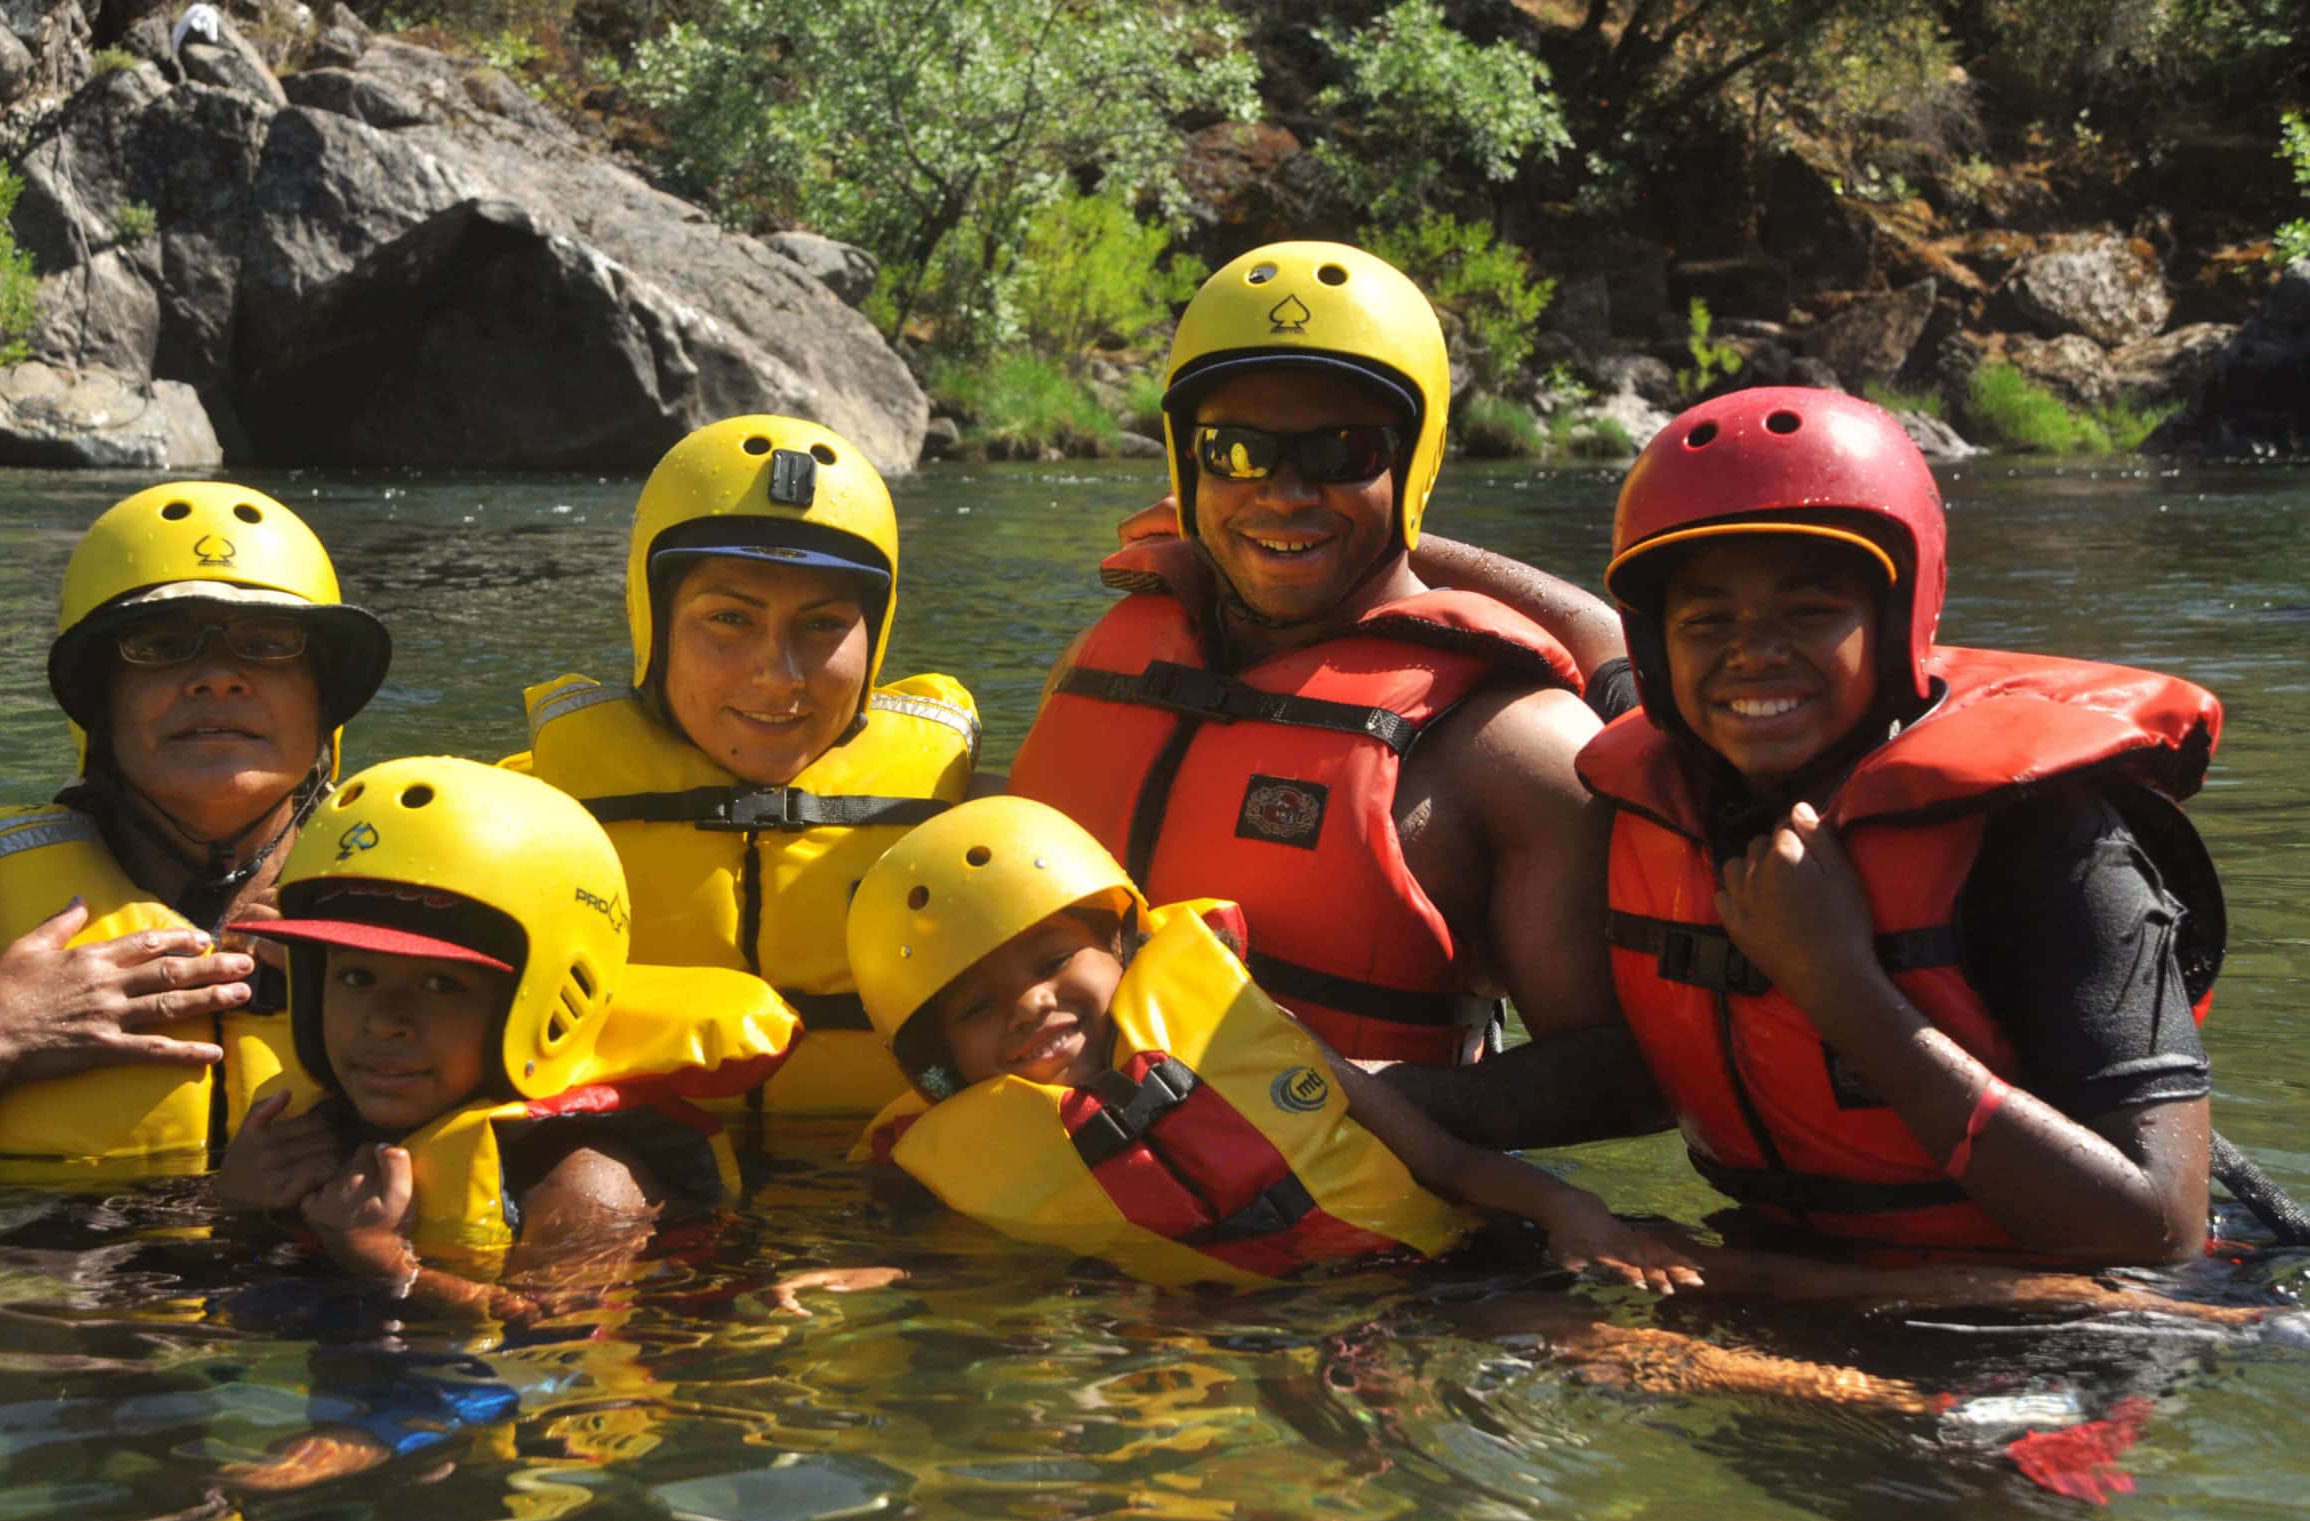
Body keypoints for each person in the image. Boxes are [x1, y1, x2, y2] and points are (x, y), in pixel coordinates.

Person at [1009, 242, 1652, 1140]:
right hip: (1053, 1224)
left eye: (1343, 452)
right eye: (1235, 451)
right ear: (1185, 463)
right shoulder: (1101, 658)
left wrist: (1329, 1103)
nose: (1283, 494)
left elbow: (1633, 1078)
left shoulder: (1514, 745)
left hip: (1367, 1267)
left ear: (1414, 461)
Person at [1576, 386, 2224, 1265]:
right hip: (1799, 1281)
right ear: (1657, 648)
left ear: (1896, 621)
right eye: (1706, 619)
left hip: (2055, 1334)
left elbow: (2161, 1233)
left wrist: (1838, 984)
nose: (1752, 650)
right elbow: (1578, 633)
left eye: (1809, 612)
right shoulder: (1675, 776)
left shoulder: (2048, 840)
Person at [0, 482, 390, 1173]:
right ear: (100, 706)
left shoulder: (407, 920)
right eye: (161, 644)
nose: (217, 679)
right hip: (41, 1270)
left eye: (270, 644)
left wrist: (366, 986)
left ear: (323, 706)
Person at [833, 795, 1702, 1291]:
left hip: (1440, 1274)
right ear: (940, 1061)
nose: (1029, 1003)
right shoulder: (946, 1160)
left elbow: (1447, 1163)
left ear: (1123, 946)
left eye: (1056, 958)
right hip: (1243, 1339)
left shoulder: (1239, 1028)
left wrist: (1568, 1209)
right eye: (979, 1007)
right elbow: (942, 1271)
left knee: (1666, 1323)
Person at [219, 756, 798, 1489]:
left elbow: (552, 1343)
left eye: (440, 985)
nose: (383, 1022)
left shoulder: (588, 1174)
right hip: (381, 1354)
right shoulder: (318, 1127)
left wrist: (383, 1263)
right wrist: (236, 1203)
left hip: (529, 1438)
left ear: (544, 997)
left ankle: (311, 1471)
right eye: (354, 977)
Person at [513, 415, 977, 1131]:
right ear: (653, 622)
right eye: (729, 619)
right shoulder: (523, 819)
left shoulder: (970, 820)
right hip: (636, 1194)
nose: (777, 677)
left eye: (823, 626)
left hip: (890, 1191)